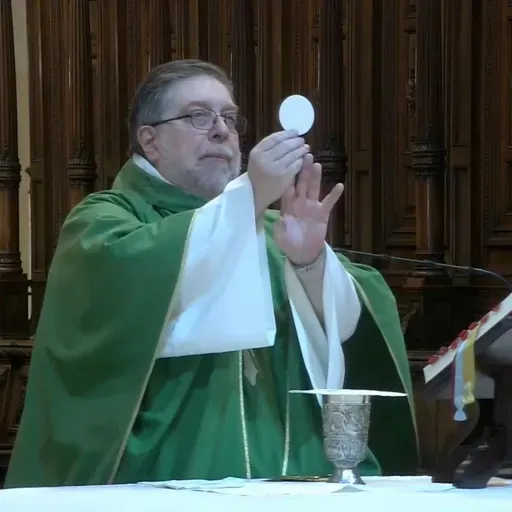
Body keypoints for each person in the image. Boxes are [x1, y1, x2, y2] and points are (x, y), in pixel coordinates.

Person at [5, 59, 418, 488]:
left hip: (292, 465)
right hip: (171, 464)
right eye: (198, 116)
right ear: (150, 141)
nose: (222, 130)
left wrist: (309, 263)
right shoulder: (106, 219)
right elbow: (126, 292)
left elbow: (353, 326)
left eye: (229, 117)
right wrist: (252, 195)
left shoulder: (274, 227)